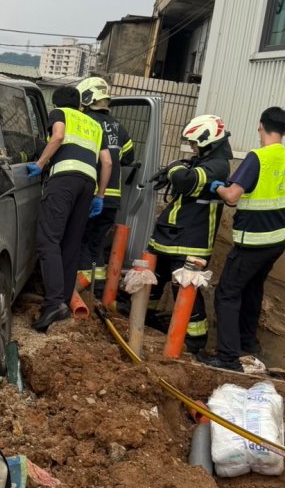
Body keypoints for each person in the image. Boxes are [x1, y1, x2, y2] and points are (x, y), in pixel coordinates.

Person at [198, 106, 285, 371]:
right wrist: (278, 224)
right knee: (253, 289)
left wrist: (219, 188)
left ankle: (228, 357)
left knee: (227, 292)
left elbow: (233, 196)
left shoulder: (257, 158)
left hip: (252, 241)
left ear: (260, 125)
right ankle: (248, 344)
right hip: (278, 241)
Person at [28, 86, 112, 332]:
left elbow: (58, 137)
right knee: (71, 244)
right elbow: (106, 162)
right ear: (80, 105)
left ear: (57, 102)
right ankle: (63, 301)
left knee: (48, 240)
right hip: (88, 184)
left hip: (64, 179)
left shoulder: (60, 113)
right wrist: (100, 195)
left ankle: (53, 303)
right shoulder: (95, 126)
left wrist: (40, 164)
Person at [146, 114, 232, 353]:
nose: (194, 148)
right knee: (156, 278)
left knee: (183, 288)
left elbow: (186, 182)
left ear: (208, 143)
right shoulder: (203, 161)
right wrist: (180, 167)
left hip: (190, 240)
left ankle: (195, 340)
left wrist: (174, 168)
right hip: (173, 236)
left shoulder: (218, 166)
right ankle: (146, 317)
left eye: (196, 144)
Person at [75, 77, 134, 293]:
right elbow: (128, 157)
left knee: (80, 239)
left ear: (87, 98)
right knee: (97, 242)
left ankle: (79, 288)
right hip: (111, 199)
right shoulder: (120, 127)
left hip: (89, 193)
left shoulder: (85, 122)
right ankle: (98, 290)